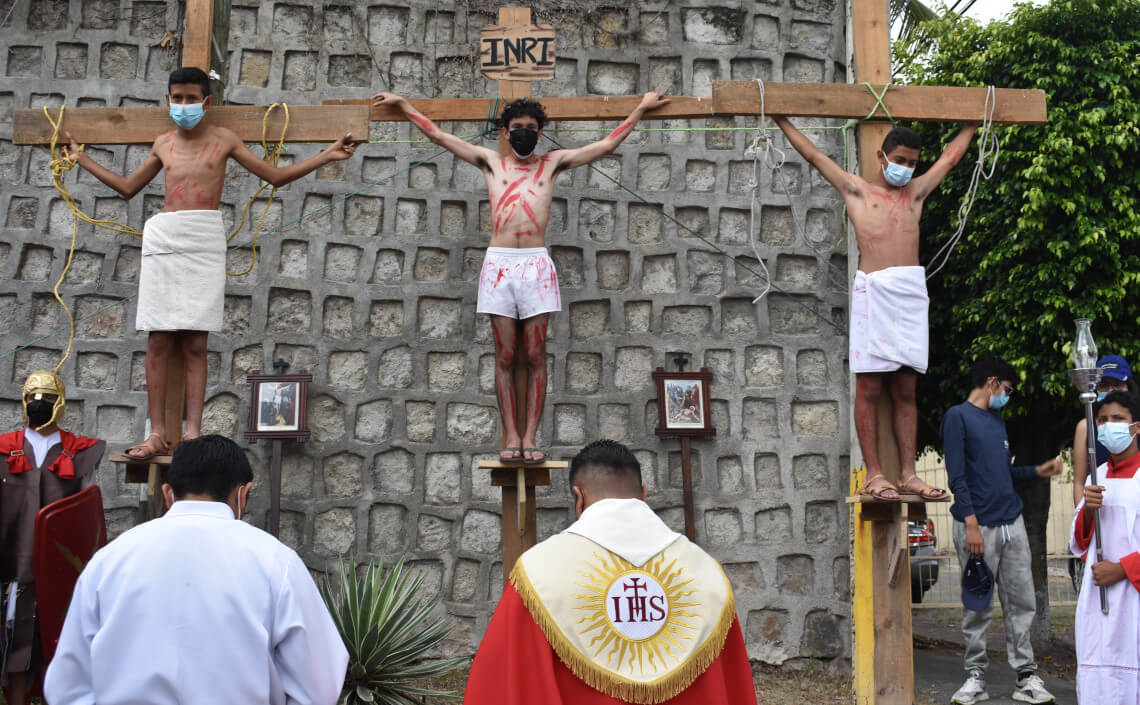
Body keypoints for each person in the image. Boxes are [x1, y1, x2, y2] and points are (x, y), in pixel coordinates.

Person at [63, 67, 357, 460]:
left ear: (206, 102)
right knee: (158, 338)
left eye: (191, 98)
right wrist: (82, 159)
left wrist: (328, 154)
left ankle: (193, 434)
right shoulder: (163, 143)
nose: (183, 105)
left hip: (203, 237)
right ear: (168, 100)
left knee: (196, 342)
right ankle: (157, 434)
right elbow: (128, 187)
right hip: (165, 236)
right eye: (177, 98)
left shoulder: (224, 139)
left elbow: (275, 177)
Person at [372, 91, 669, 465]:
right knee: (506, 355)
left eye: (530, 127)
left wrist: (640, 109)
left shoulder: (552, 164)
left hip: (535, 265)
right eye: (517, 127)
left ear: (540, 132)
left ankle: (530, 437)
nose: (524, 132)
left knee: (536, 354)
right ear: (506, 131)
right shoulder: (491, 163)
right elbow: (439, 136)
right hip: (499, 265)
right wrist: (404, 105)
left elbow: (607, 145)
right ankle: (511, 435)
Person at [44, 435, 348, 705]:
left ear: (168, 493)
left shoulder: (109, 560)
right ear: (243, 494)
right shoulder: (276, 561)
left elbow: (67, 687)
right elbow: (319, 687)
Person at [774, 117, 980, 500]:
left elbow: (949, 160)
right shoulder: (857, 190)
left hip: (909, 295)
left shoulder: (915, 194)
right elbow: (814, 155)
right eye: (900, 160)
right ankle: (875, 474)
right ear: (881, 156)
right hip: (874, 294)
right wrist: (779, 118)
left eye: (913, 162)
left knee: (906, 388)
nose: (906, 168)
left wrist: (973, 123)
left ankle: (908, 474)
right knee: (869, 387)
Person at [463, 439, 757, 704]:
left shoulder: (539, 572)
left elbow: (504, 682)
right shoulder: (705, 571)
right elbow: (732, 685)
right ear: (643, 494)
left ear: (578, 498)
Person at [940, 357, 1062, 705]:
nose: (1006, 397)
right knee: (977, 604)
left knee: (1022, 602)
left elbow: (1001, 475)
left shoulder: (996, 421)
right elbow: (957, 476)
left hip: (1012, 523)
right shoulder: (957, 417)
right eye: (1006, 390)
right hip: (977, 526)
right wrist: (971, 524)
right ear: (991, 382)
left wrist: (1038, 471)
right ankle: (975, 676)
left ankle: (1026, 677)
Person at [0, 371, 104, 705]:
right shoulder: (4, 448)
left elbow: (84, 518)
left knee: (58, 644)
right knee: (15, 645)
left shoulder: (80, 451)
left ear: (60, 402)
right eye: (33, 396)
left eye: (47, 396)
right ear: (23, 400)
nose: (39, 403)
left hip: (60, 572)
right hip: (12, 566)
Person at [1070, 390, 1140, 705]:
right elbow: (1080, 540)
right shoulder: (1096, 477)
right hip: (1097, 598)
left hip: (1133, 597)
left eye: (1118, 419)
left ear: (1136, 426)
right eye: (1102, 420)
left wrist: (1123, 569)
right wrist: (1087, 510)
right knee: (1097, 674)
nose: (1109, 425)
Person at [1071, 355, 1138, 506]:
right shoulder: (1085, 427)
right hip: (1100, 509)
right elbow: (1079, 482)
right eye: (1104, 385)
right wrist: (1083, 514)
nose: (1111, 391)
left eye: (1117, 385)